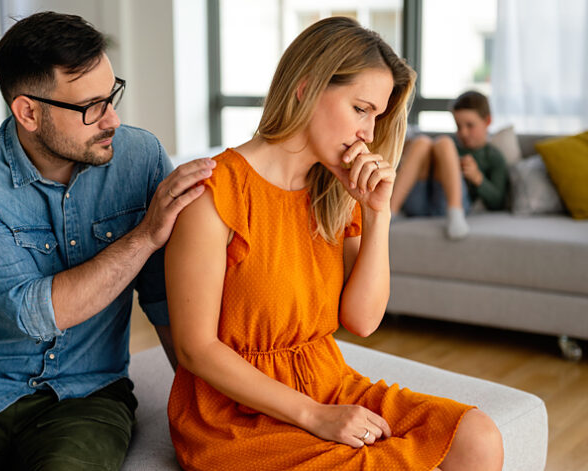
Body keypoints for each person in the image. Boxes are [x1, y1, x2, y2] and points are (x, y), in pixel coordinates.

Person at [0, 12, 214, 471]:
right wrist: (146, 234)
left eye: (112, 95)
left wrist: (203, 414)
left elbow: (165, 299)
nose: (112, 119)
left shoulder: (140, 157)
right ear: (28, 112)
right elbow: (38, 313)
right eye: (91, 106)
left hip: (88, 394)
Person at [165, 17, 503, 471]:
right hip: (235, 415)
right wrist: (316, 417)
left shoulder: (335, 192)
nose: (368, 131)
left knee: (478, 437)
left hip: (326, 382)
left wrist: (378, 212)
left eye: (377, 116)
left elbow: (362, 321)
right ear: (306, 87)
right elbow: (194, 348)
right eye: (361, 108)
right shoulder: (215, 193)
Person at [390, 91, 509, 240]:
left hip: (445, 205)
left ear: (487, 121)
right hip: (419, 201)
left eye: (470, 125)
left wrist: (478, 178)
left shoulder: (493, 156)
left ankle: (455, 213)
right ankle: (389, 213)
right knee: (421, 142)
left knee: (445, 143)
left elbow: (498, 202)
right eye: (458, 126)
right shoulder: (453, 144)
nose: (463, 133)